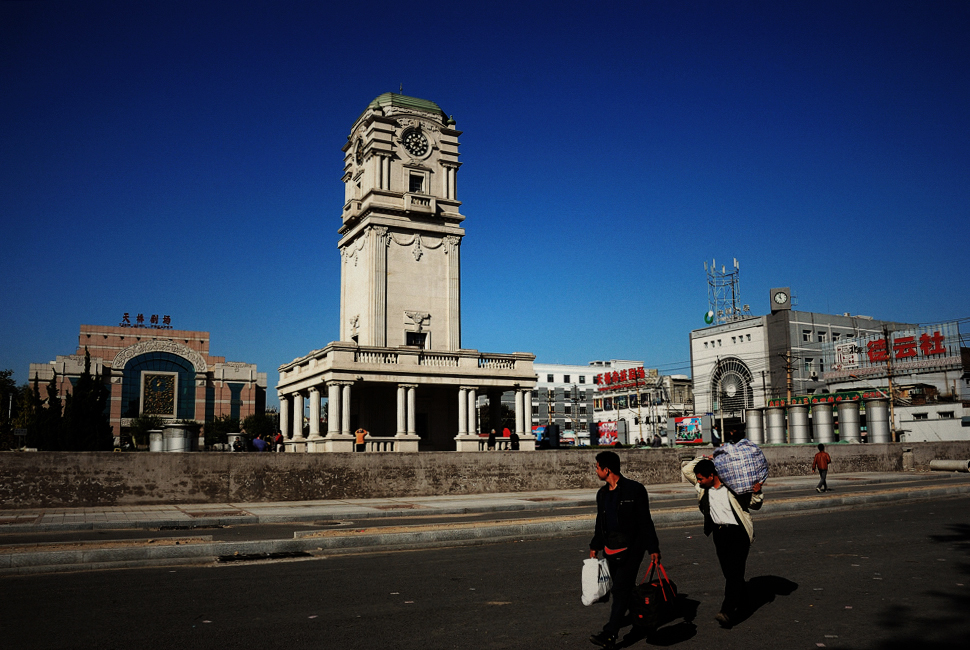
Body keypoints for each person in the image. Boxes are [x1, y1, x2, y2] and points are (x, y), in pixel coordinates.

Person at [589, 451, 662, 649]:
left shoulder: (634, 490)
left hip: (632, 549)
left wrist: (652, 548)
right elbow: (600, 522)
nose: (595, 470)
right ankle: (642, 624)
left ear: (607, 469)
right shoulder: (602, 494)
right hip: (610, 549)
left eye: (597, 467)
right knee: (626, 591)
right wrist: (595, 545)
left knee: (620, 589)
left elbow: (645, 521)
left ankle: (610, 634)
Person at [682, 457, 763, 628]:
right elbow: (686, 470)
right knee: (730, 572)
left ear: (712, 475)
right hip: (719, 534)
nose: (698, 481)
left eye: (701, 478)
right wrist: (704, 458)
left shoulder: (733, 487)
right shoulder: (704, 488)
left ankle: (727, 611)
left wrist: (756, 492)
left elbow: (755, 504)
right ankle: (745, 601)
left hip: (738, 533)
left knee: (734, 572)